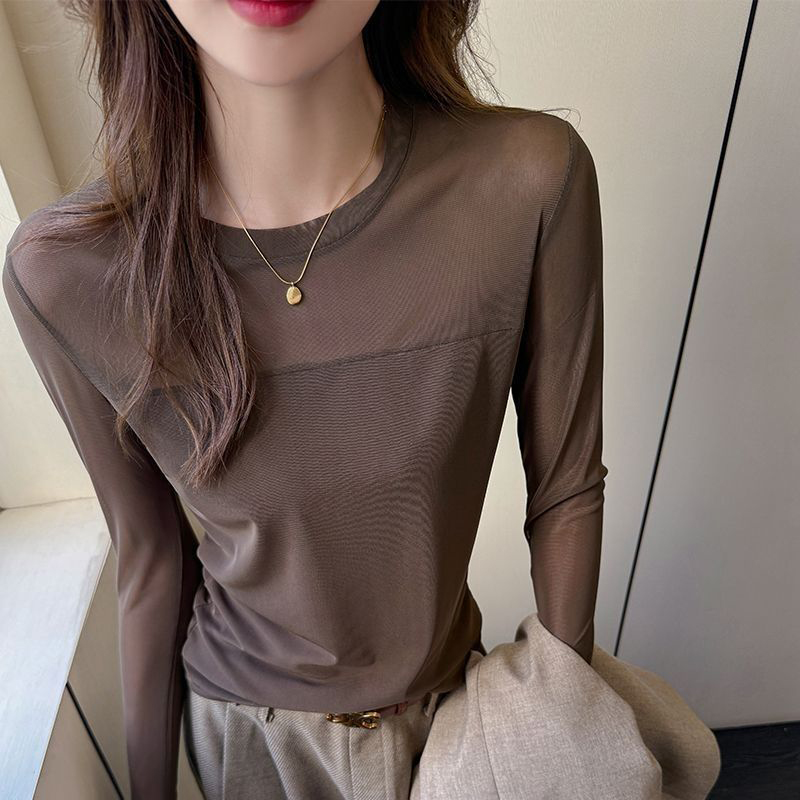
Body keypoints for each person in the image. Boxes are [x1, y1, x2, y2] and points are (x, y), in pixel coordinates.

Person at [2, 0, 608, 798]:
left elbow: (566, 488)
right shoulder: (69, 273)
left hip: (454, 728)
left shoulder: (523, 184)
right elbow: (150, 553)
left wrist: (559, 727)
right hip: (247, 746)